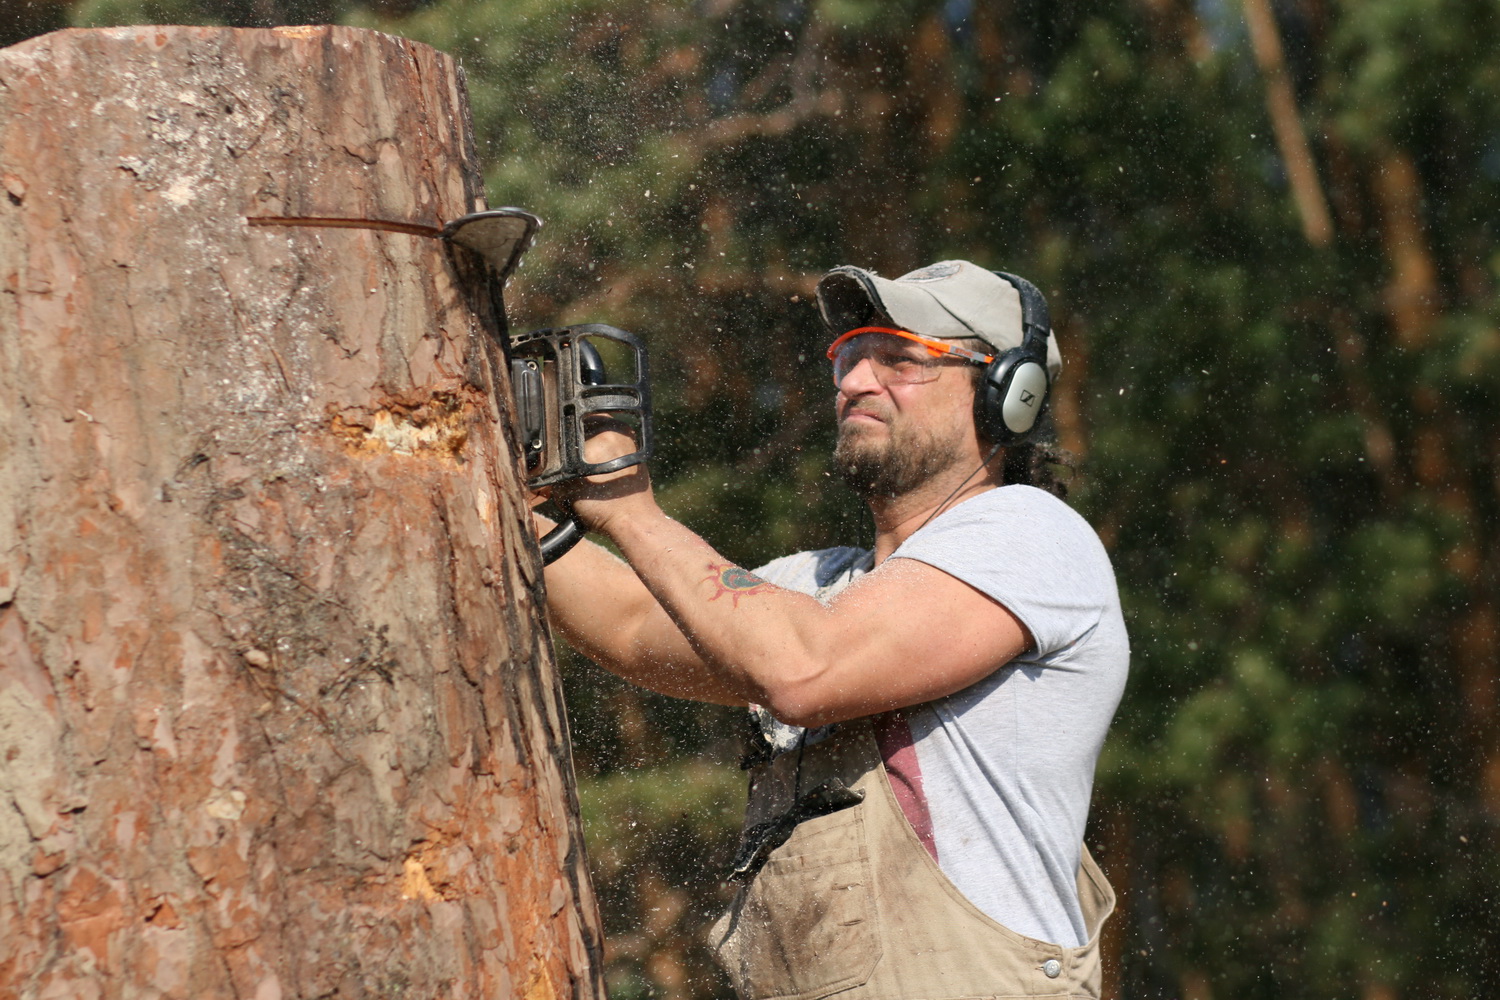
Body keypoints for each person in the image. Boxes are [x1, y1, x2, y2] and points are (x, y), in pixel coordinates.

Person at [536, 260, 1129, 999]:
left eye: (902, 360)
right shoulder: (821, 589)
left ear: (1010, 395)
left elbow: (803, 670)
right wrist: (499, 495)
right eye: (849, 359)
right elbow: (630, 623)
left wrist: (627, 507)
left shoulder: (1030, 536)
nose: (853, 383)